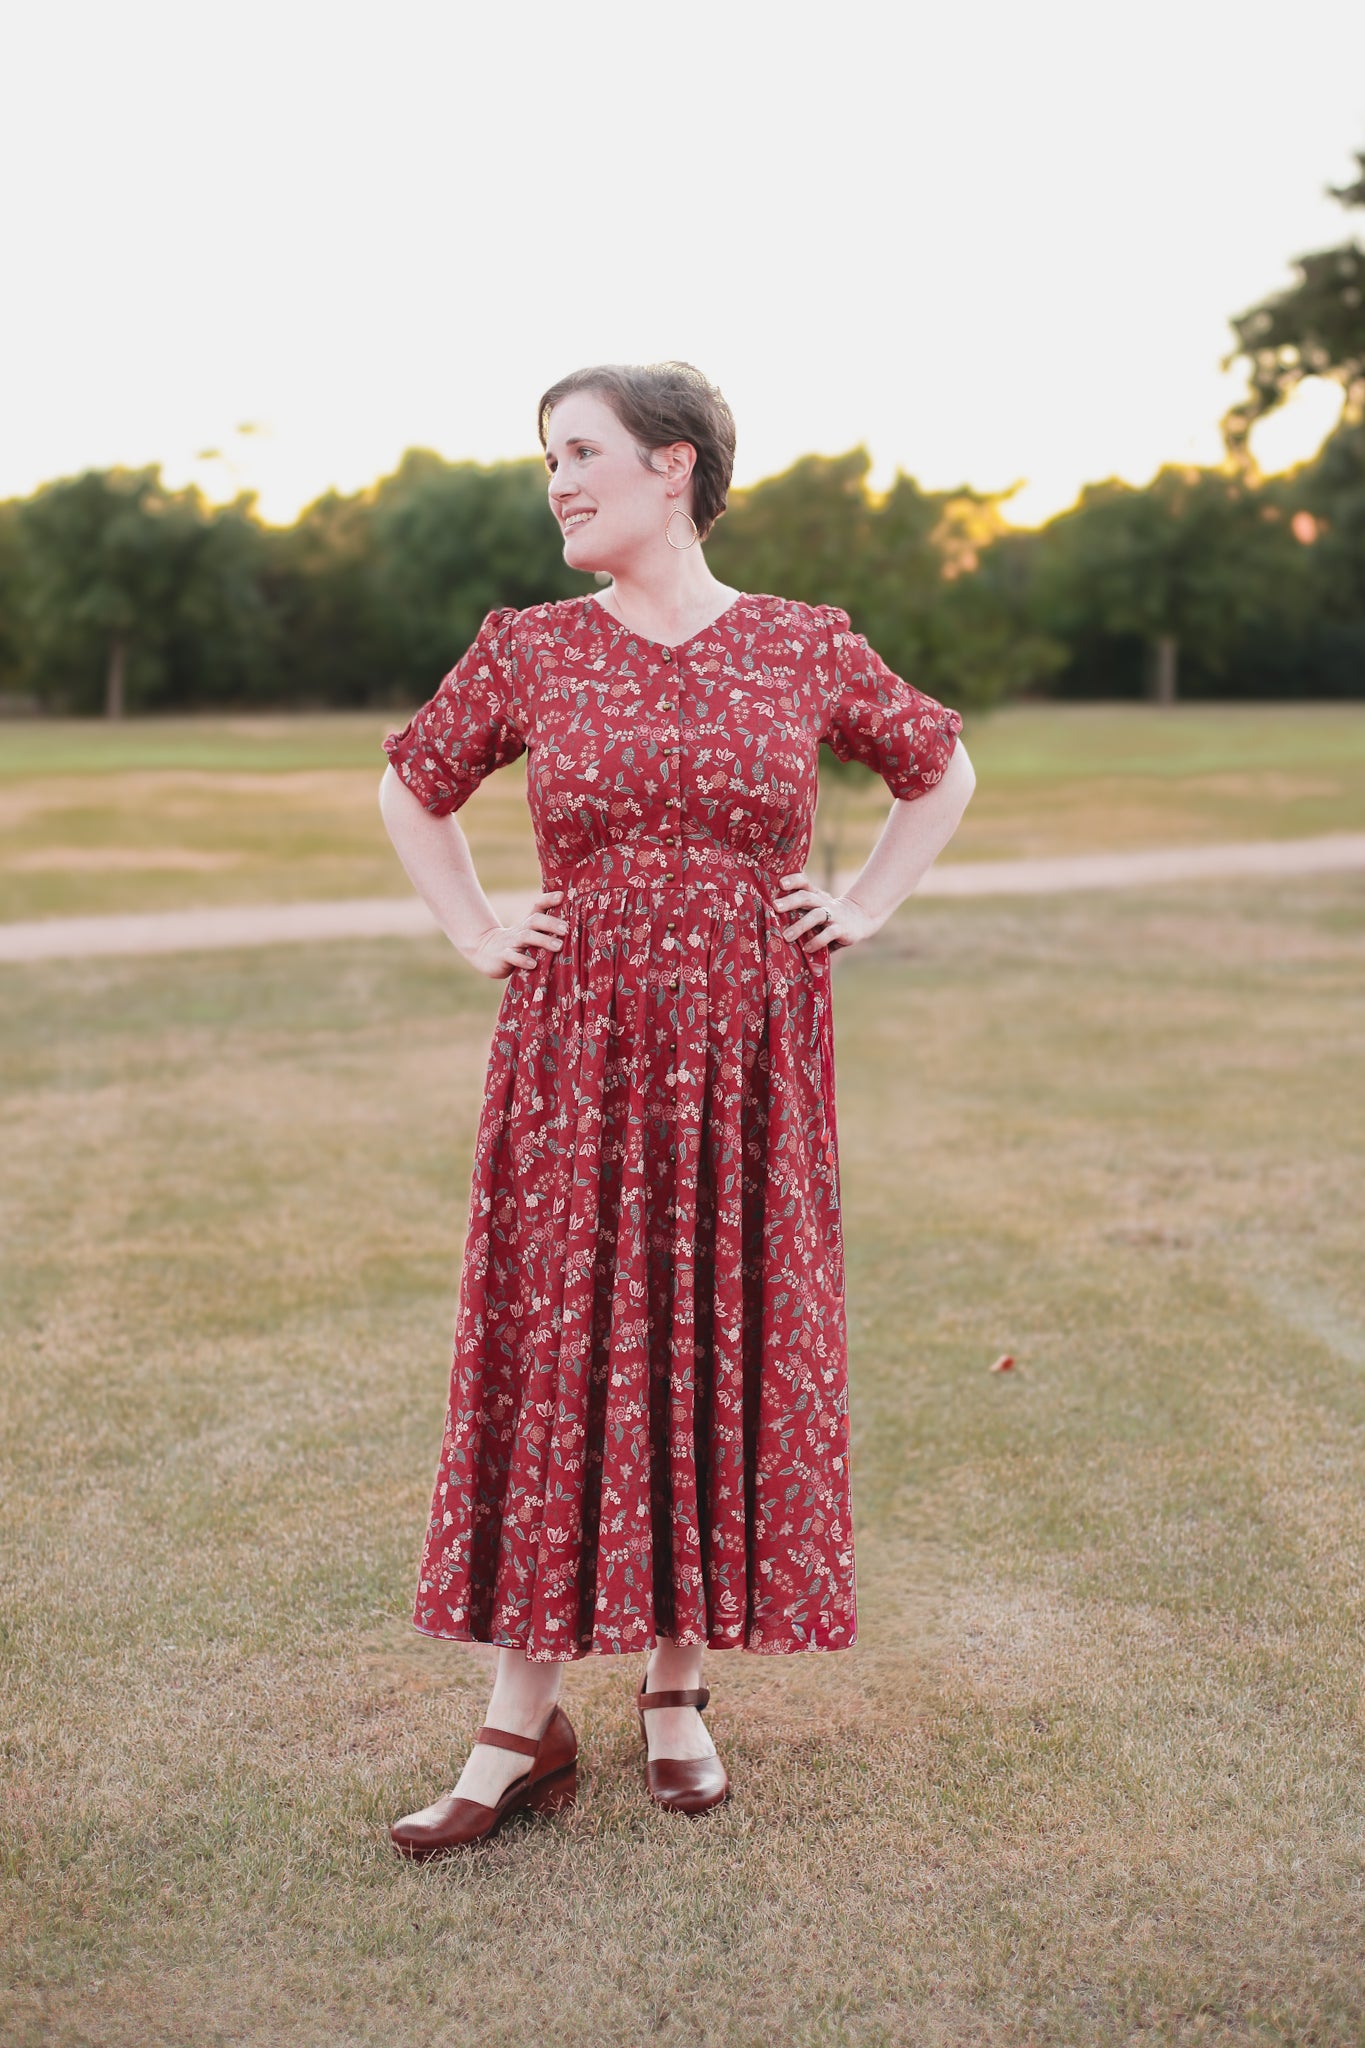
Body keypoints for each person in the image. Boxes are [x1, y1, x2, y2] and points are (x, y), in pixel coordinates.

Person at [379, 362, 975, 1857]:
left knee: (711, 1330)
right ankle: (520, 1722)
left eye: (579, 454)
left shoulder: (799, 644)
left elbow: (937, 766)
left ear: (673, 467)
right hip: (572, 1054)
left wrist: (867, 904)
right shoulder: (529, 651)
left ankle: (674, 1694)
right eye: (546, 461)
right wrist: (470, 928)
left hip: (748, 1056)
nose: (557, 483)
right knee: (570, 1343)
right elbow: (411, 786)